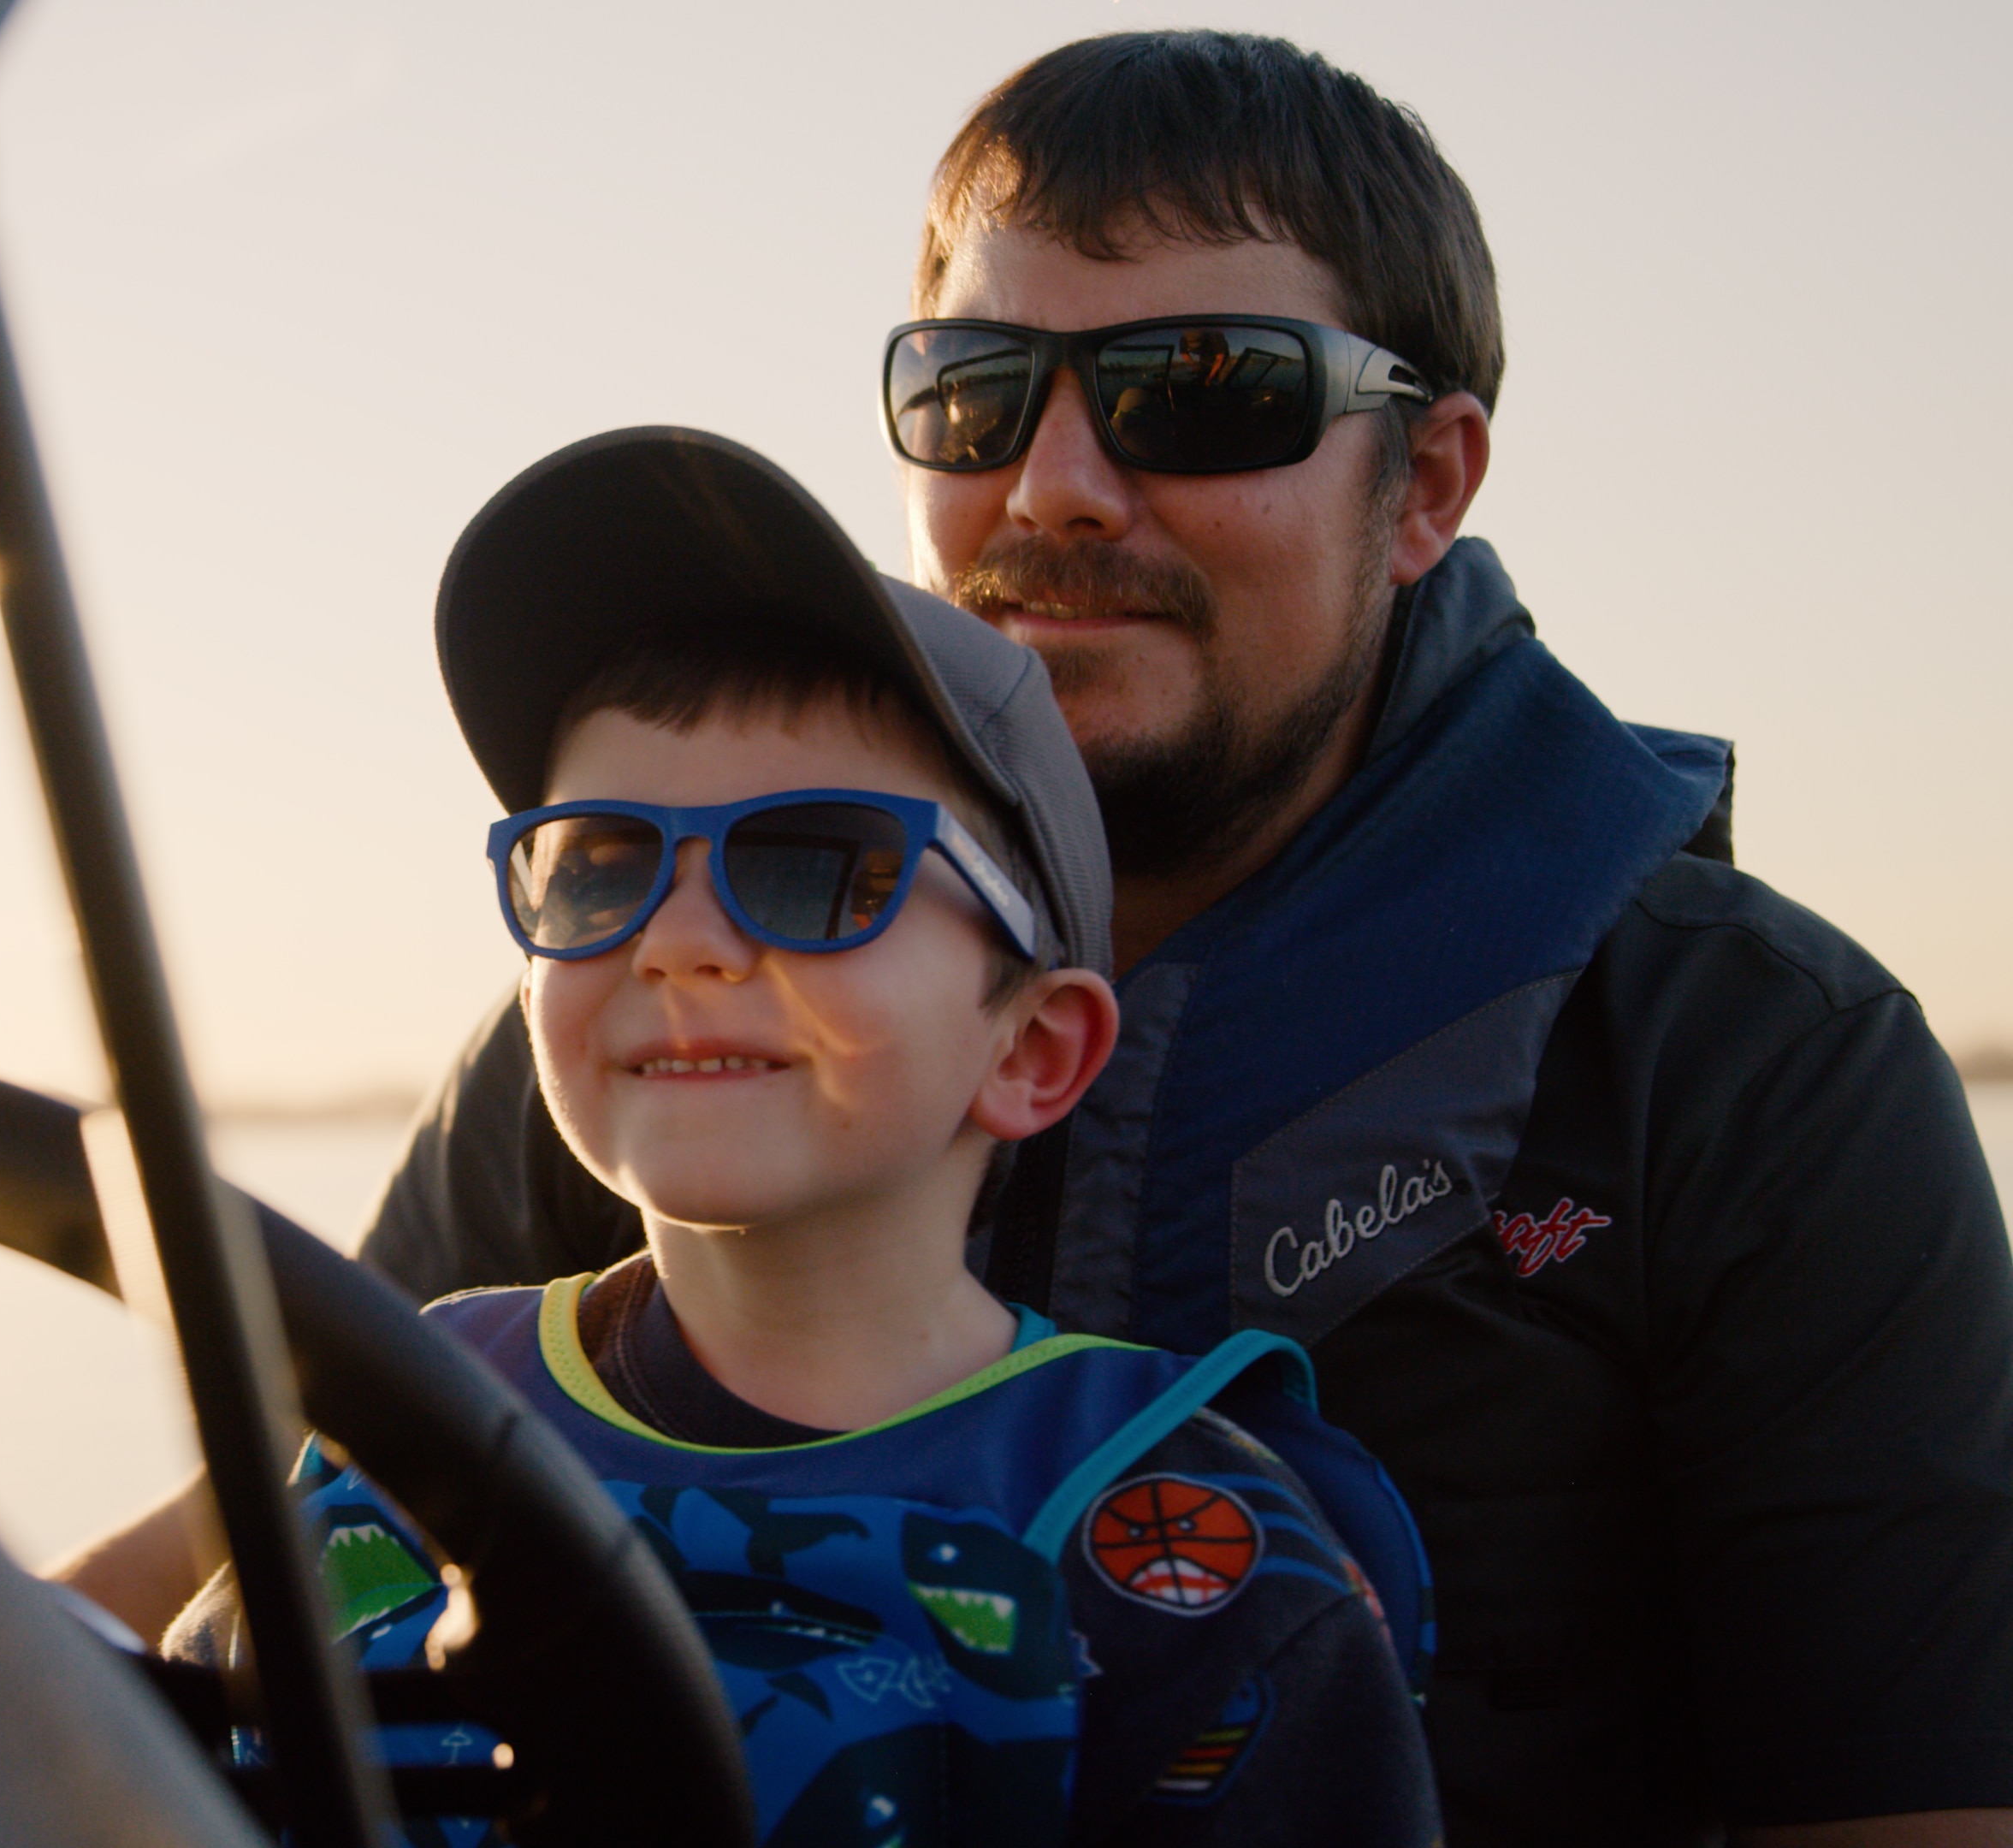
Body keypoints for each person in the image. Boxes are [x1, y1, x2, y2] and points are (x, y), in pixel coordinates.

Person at [344, 30, 2013, 1848]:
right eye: (975, 391)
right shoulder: (675, 1019)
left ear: (1431, 484)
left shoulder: (1755, 1065)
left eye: (1205, 390)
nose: (1052, 489)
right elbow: (249, 1532)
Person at [167, 424, 1438, 1845]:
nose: (681, 940)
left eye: (817, 866)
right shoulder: (411, 1415)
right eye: (600, 867)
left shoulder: (1188, 1560)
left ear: (1030, 1050)